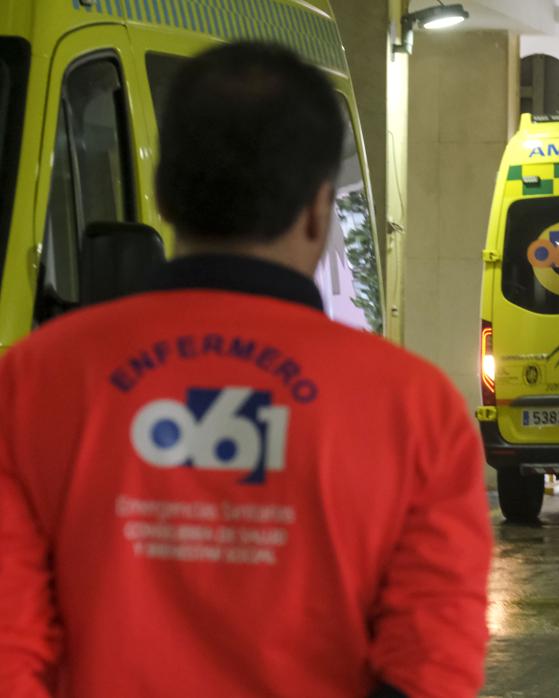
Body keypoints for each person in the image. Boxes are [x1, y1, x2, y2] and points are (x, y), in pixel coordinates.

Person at [0, 43, 490, 698]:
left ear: (163, 195)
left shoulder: (34, 381)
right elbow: (431, 662)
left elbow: (8, 647)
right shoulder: (414, 407)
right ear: (319, 210)